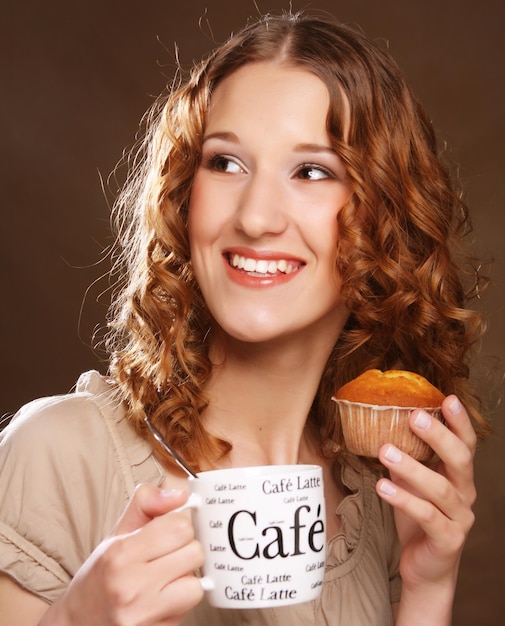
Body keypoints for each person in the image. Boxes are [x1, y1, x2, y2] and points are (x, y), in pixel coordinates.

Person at [0, 11, 489, 626]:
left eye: (312, 171)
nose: (256, 217)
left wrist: (427, 588)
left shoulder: (381, 504)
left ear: (384, 219)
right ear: (185, 194)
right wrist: (78, 621)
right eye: (225, 163)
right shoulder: (60, 457)